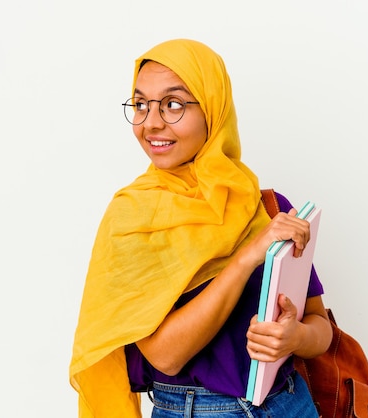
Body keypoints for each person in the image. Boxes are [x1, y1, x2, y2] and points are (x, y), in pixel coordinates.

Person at [69, 39, 333, 417]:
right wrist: (245, 259)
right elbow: (166, 356)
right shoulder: (132, 220)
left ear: (214, 109)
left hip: (291, 403)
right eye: (141, 105)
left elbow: (319, 326)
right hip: (194, 411)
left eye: (173, 104)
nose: (152, 123)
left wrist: (294, 338)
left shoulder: (268, 209)